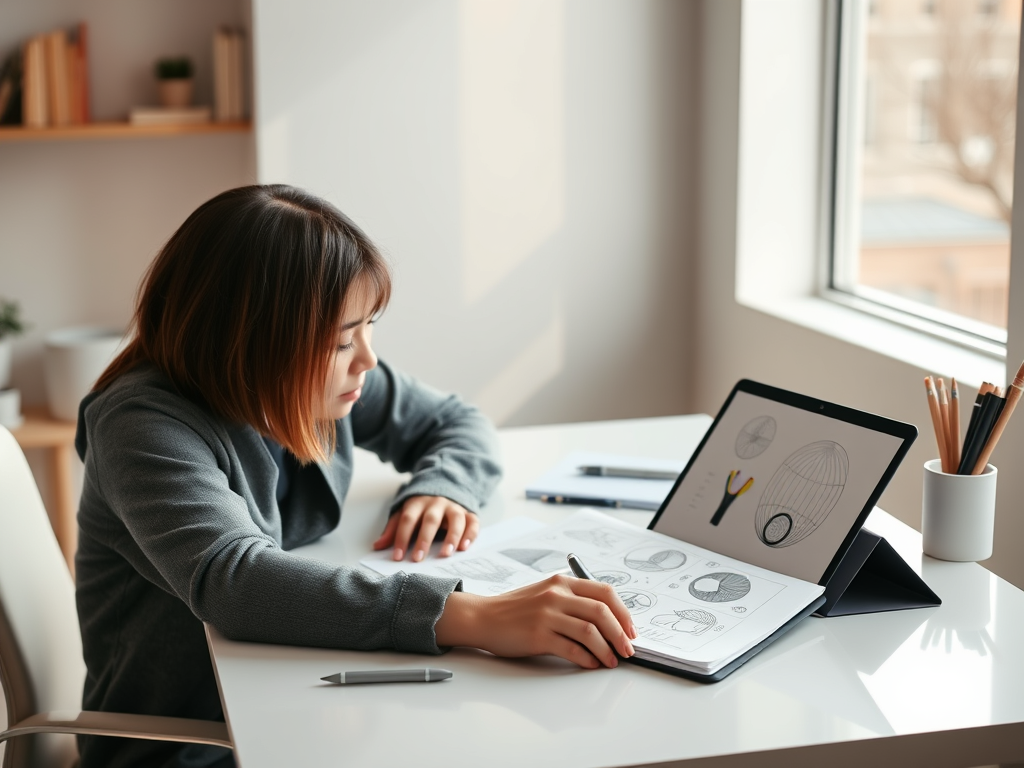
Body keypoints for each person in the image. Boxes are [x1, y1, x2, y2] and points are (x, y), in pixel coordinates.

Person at [74, 185, 636, 768]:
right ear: (251, 343)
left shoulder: (308, 379)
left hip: (284, 709)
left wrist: (443, 486)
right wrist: (479, 617)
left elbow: (453, 420)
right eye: (342, 339)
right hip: (186, 749)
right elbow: (234, 581)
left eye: (367, 327)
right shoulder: (140, 426)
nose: (366, 358)